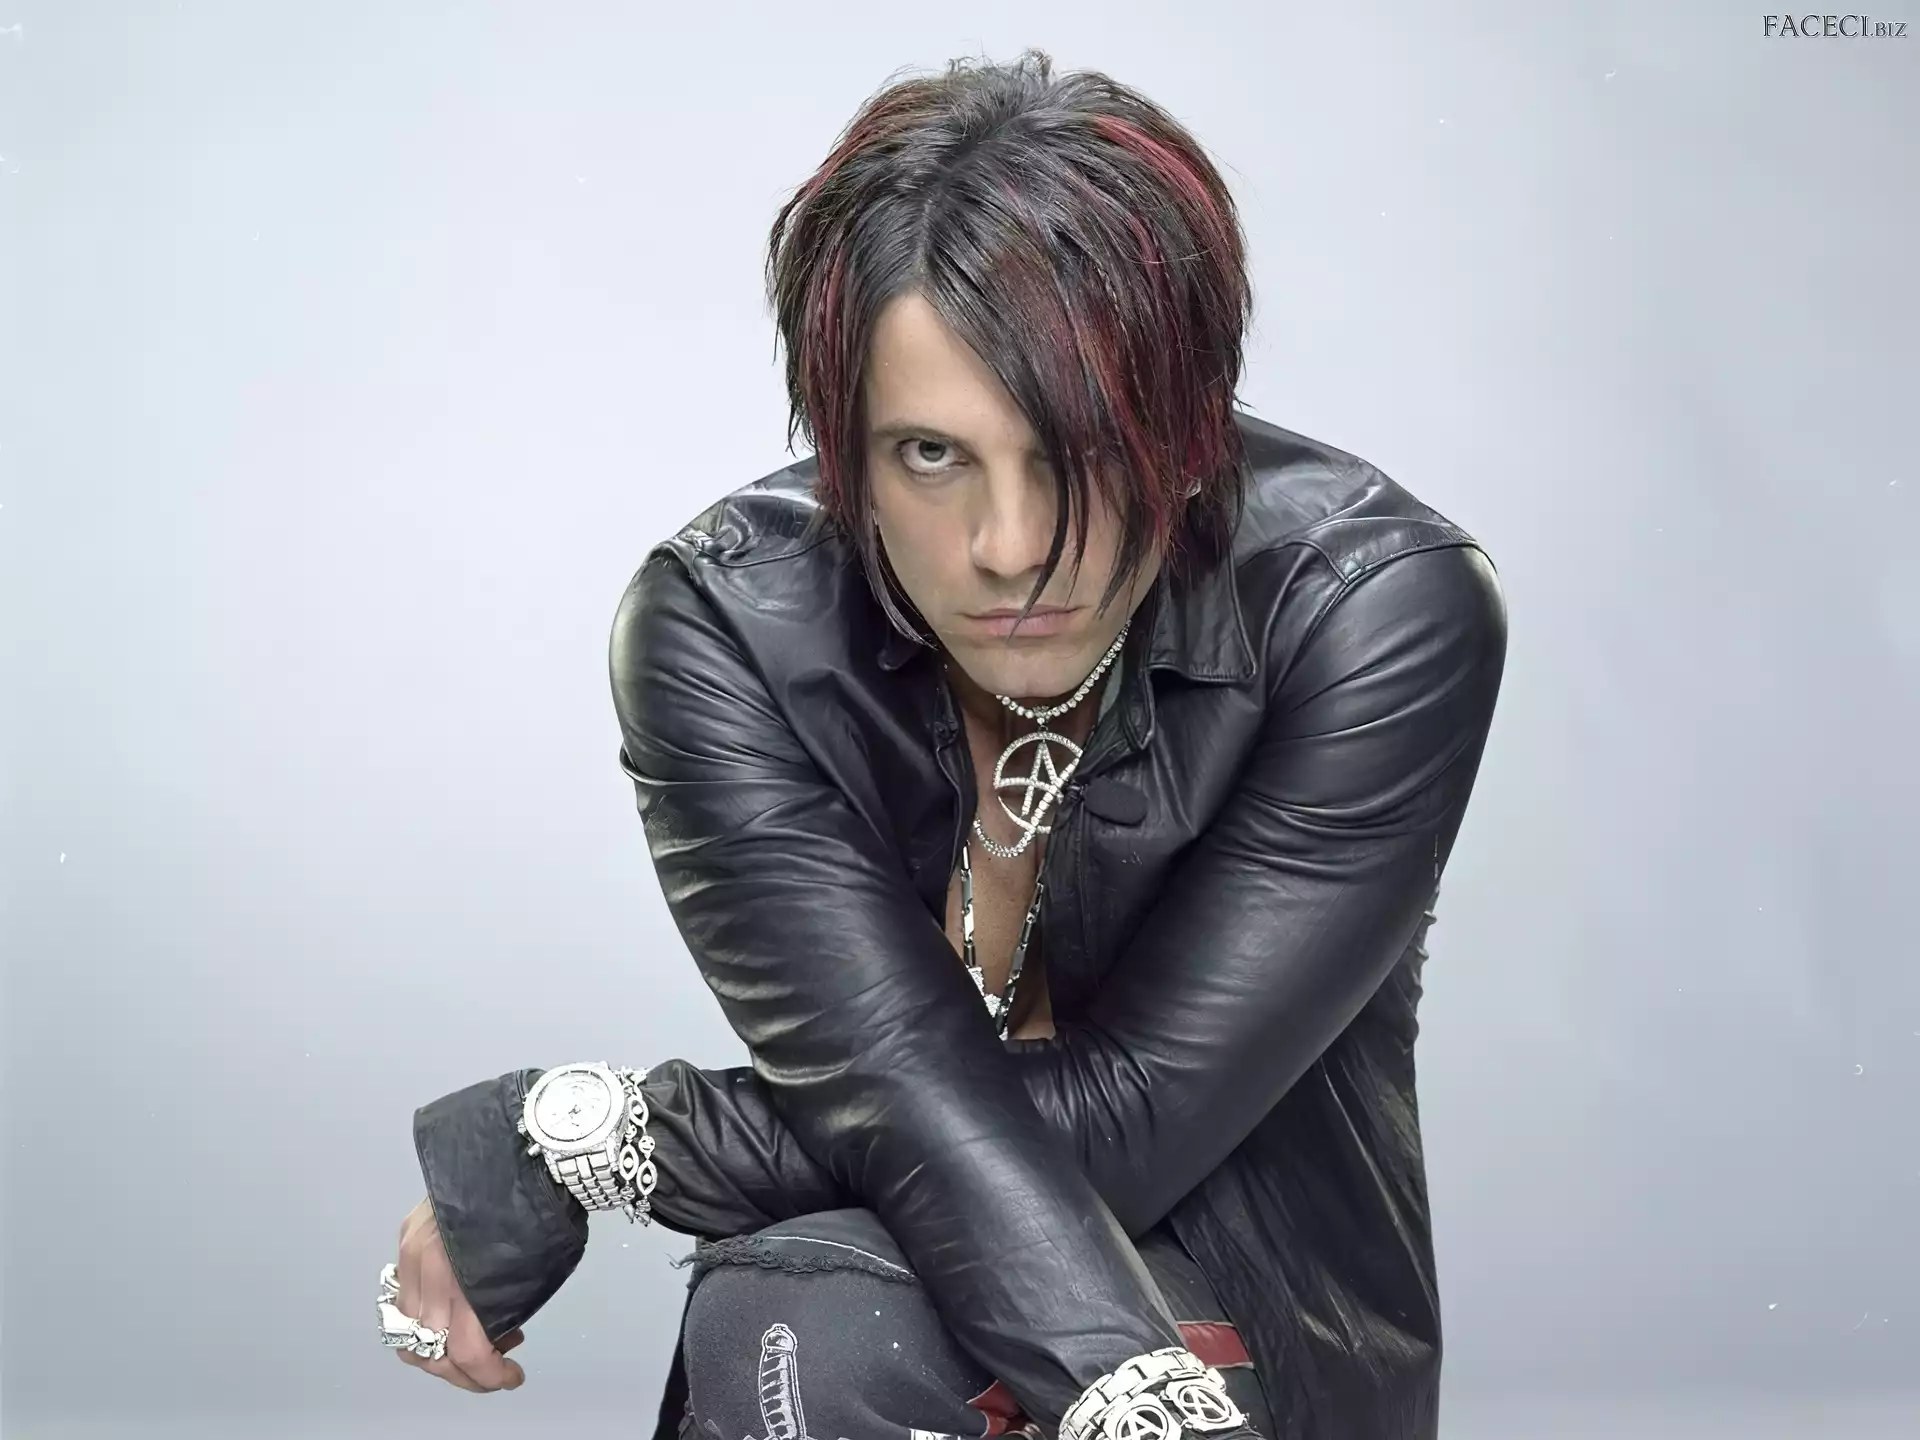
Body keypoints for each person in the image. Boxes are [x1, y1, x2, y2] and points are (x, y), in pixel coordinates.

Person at [378, 48, 1507, 1440]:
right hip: (884, 1281)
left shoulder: (1366, 607)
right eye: (931, 455)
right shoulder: (728, 628)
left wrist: (592, 1135)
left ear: (1188, 425)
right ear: (843, 445)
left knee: (825, 1323)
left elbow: (1133, 1121)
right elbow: (895, 1089)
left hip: (1255, 1319)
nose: (1010, 548)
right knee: (811, 1319)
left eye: (1082, 449)